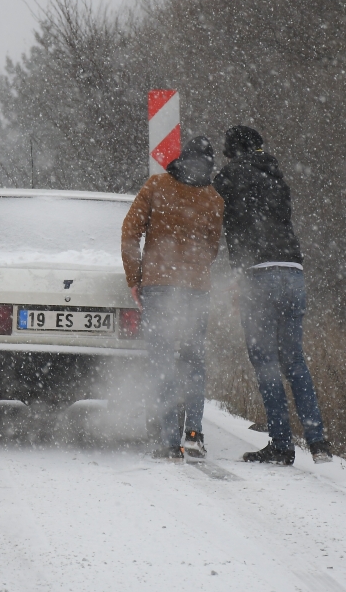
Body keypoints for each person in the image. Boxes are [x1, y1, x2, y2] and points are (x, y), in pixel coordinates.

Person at [213, 126, 332, 465]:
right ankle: (318, 440)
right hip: (293, 272)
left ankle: (281, 445)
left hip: (259, 275)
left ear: (233, 151)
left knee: (265, 362)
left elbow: (212, 215)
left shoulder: (229, 176)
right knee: (294, 360)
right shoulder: (277, 176)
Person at [122, 136, 224, 461]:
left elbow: (129, 232)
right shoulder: (213, 198)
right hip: (197, 290)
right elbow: (212, 248)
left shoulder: (156, 186)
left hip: (159, 286)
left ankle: (169, 442)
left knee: (163, 362)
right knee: (193, 361)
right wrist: (193, 271)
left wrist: (134, 278)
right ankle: (194, 433)